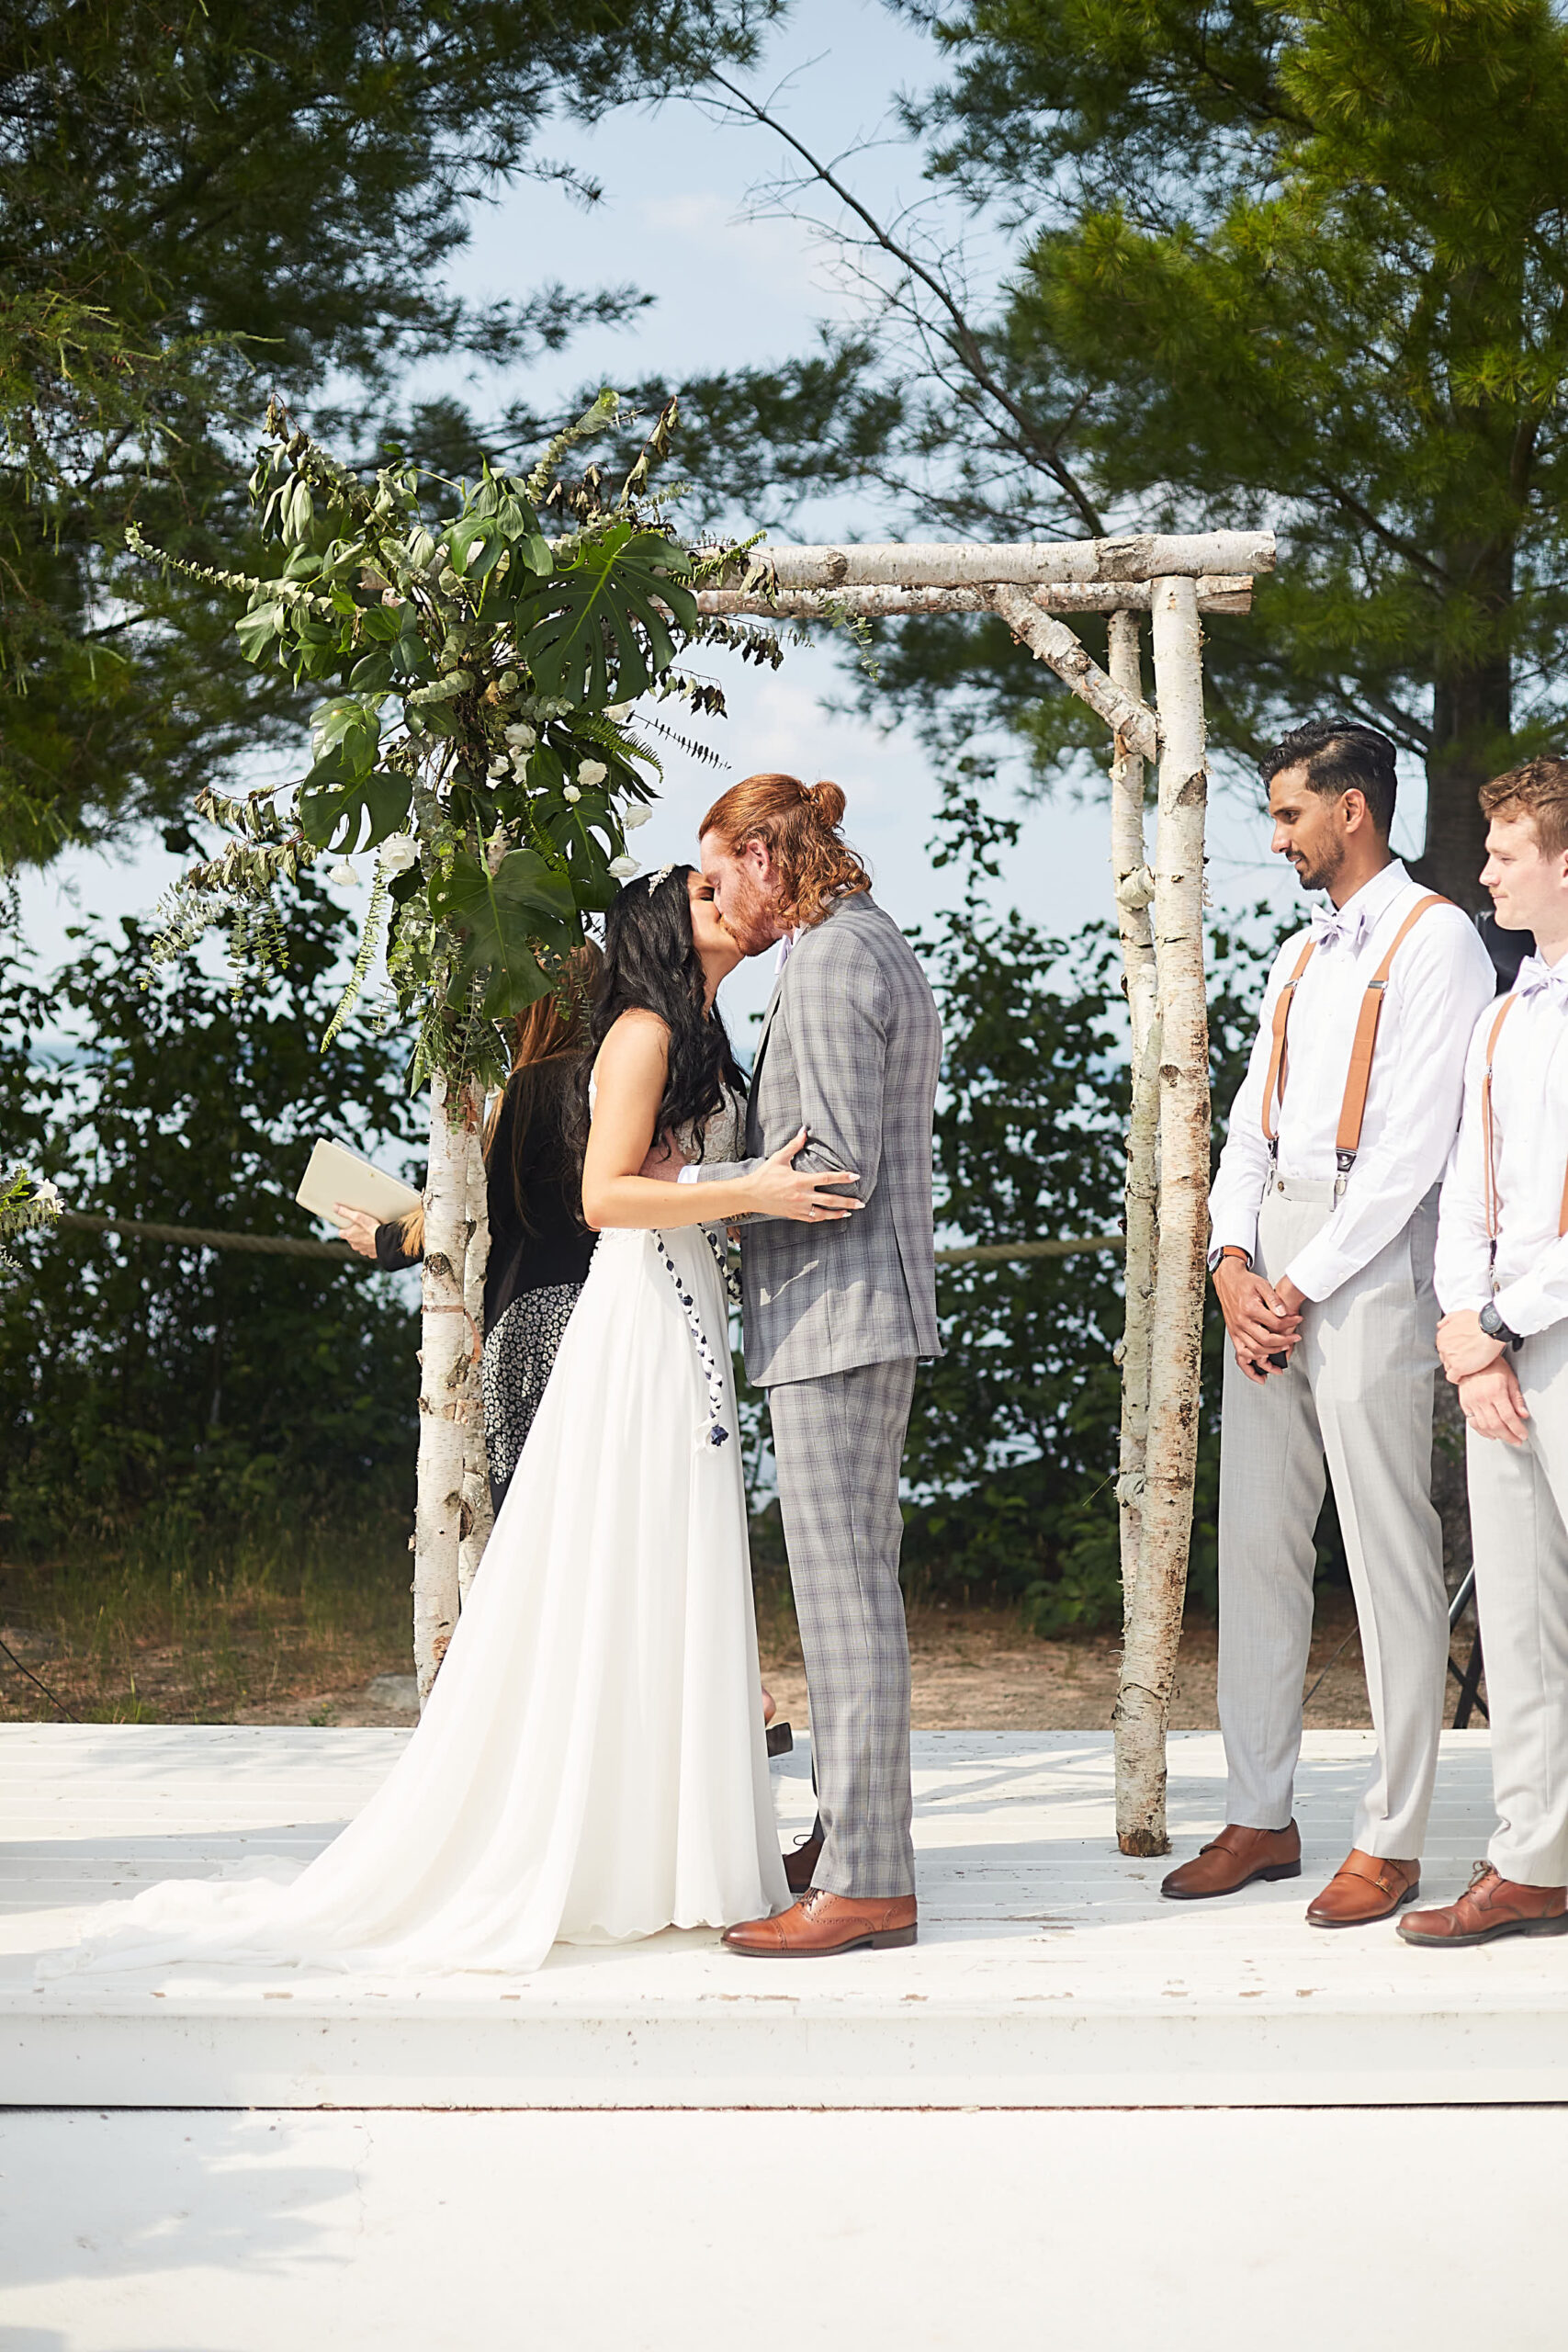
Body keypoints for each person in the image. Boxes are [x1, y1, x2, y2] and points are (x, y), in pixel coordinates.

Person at [40, 867, 852, 1981]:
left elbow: (476, 1218)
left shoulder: (606, 1066)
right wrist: (740, 1192)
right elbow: (595, 1200)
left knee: (584, 1564)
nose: (728, 898)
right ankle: (597, 1811)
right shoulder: (627, 1051)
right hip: (593, 1324)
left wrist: (395, 1239)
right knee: (583, 1567)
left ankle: (635, 1810)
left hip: (579, 1319)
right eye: (704, 893)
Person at [1162, 719, 1494, 1927]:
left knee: (1386, 1548)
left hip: (1369, 1257)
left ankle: (1390, 1835)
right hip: (1273, 1257)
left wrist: (1297, 1283)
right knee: (1254, 1546)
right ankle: (1260, 1812)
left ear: (1351, 809)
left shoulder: (1436, 938)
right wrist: (1229, 1259)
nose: (1276, 838)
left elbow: (1411, 1148)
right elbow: (1248, 1126)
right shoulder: (1298, 956)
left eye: (1288, 813)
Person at [684, 775, 942, 1960]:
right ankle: (850, 1841)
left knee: (845, 1605)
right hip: (855, 1312)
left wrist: (700, 1192)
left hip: (836, 1315)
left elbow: (833, 1165)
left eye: (718, 875)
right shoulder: (863, 940)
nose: (718, 899)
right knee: (854, 1593)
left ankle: (869, 1880)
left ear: (763, 856)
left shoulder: (834, 959)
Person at [1402, 759, 1568, 1948]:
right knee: (1514, 1621)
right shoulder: (1504, 1013)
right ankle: (1533, 1860)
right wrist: (1467, 1336)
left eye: (1506, 854)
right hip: (1498, 1356)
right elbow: (1468, 1190)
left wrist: (1500, 1320)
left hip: (1542, 1329)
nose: (1485, 873)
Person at [333, 941, 600, 1513]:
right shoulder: (611, 1085)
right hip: (600, 1312)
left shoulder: (533, 1088)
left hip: (529, 1324)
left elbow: (477, 1208)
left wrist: (383, 1241)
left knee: (525, 1507)